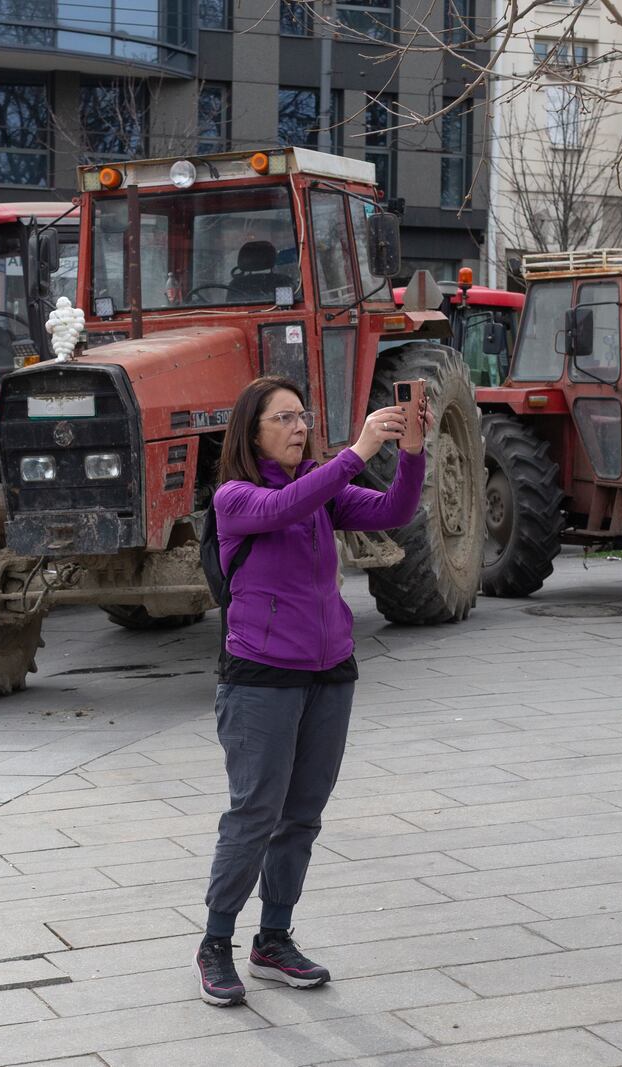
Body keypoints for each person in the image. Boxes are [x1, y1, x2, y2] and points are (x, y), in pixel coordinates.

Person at [195, 374, 429, 1007]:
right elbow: (282, 509)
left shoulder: (321, 494)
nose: (300, 427)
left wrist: (409, 451)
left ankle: (273, 938)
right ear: (251, 433)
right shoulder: (236, 498)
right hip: (261, 678)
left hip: (330, 672)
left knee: (301, 815)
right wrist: (356, 452)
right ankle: (215, 943)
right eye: (284, 418)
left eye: (303, 416)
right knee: (255, 814)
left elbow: (394, 513)